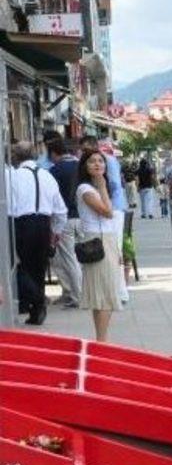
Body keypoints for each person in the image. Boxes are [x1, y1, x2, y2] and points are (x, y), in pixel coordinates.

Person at [9, 141, 67, 324]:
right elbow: (61, 210)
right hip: (43, 224)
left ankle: (36, 301)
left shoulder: (13, 176)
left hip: (21, 223)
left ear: (15, 157)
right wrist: (55, 233)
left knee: (20, 266)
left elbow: (8, 205)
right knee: (39, 267)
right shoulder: (47, 175)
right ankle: (36, 309)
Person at [75, 149, 122, 342]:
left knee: (105, 292)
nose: (98, 164)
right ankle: (102, 341)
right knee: (104, 293)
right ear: (85, 166)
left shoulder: (99, 187)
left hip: (107, 239)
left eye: (101, 161)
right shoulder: (85, 189)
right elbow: (107, 212)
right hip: (97, 241)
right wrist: (102, 188)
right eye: (92, 161)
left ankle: (101, 339)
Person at [48, 137, 82, 308]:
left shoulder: (54, 170)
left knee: (68, 259)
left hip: (65, 219)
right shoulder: (80, 166)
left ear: (54, 153)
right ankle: (70, 292)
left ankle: (77, 295)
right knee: (78, 258)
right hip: (82, 217)